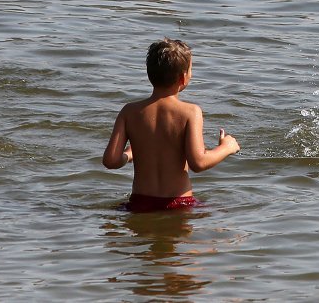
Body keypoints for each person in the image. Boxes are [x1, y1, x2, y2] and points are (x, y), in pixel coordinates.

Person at [103, 38, 240, 212]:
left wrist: (129, 155)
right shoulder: (190, 112)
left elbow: (110, 161)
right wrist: (227, 147)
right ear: (183, 78)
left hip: (139, 203)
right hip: (179, 204)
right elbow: (198, 162)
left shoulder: (129, 112)